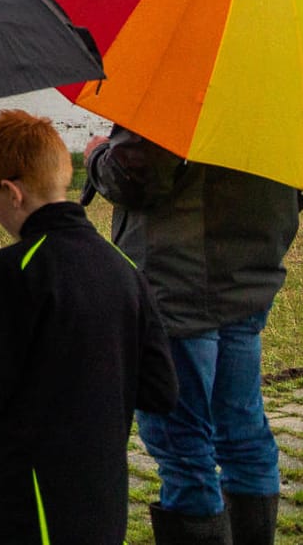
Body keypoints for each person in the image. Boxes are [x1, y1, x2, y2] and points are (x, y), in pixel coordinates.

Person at [0, 110, 178, 544]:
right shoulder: (124, 268)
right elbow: (160, 390)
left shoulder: (8, 271)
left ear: (12, 192)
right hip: (100, 501)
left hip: (25, 506)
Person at [85, 125, 300, 545]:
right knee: (243, 434)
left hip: (176, 285)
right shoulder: (285, 80)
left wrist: (97, 157)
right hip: (248, 273)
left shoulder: (179, 70)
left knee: (183, 448)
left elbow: (139, 174)